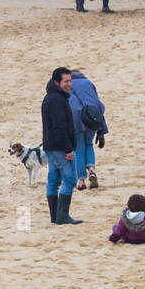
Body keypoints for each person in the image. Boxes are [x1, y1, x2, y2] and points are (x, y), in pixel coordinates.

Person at [42, 67, 82, 226]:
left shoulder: (49, 98)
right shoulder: (58, 100)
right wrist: (68, 149)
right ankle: (62, 215)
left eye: (70, 80)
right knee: (70, 179)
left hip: (50, 146)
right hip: (60, 148)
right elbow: (59, 127)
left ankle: (55, 216)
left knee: (53, 180)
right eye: (66, 81)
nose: (69, 84)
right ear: (56, 82)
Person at [68, 70, 106, 191]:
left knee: (78, 149)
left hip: (75, 118)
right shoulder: (89, 83)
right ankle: (92, 170)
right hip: (91, 116)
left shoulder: (67, 85)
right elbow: (98, 104)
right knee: (89, 144)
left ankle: (81, 181)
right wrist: (102, 129)